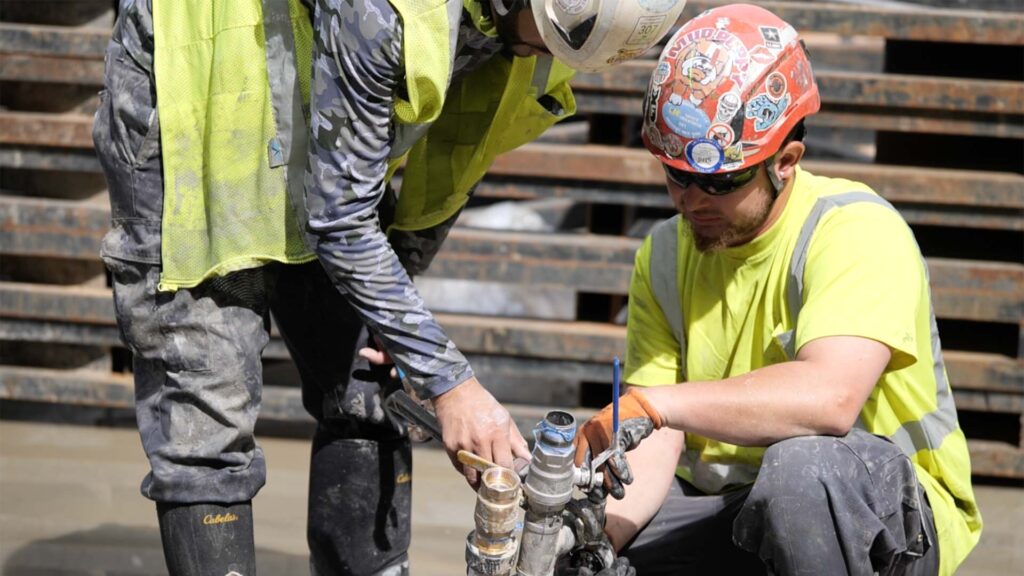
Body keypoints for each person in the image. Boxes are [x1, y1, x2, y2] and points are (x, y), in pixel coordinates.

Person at [92, 0, 685, 573]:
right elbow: (342, 220)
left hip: (322, 96)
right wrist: (451, 383)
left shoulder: (530, 23)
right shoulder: (389, 9)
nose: (537, 54)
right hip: (203, 76)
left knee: (371, 382)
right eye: (538, 38)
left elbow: (454, 151)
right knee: (207, 400)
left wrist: (405, 327)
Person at [572, 4, 983, 576]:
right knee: (573, 529)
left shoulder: (853, 229)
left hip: (882, 512)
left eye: (717, 181)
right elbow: (655, 442)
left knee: (800, 475)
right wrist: (599, 542)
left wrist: (660, 405)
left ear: (785, 161)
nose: (690, 200)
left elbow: (831, 398)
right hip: (736, 502)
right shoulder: (665, 254)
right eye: (676, 175)